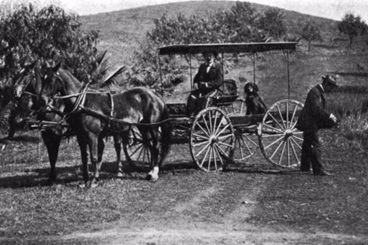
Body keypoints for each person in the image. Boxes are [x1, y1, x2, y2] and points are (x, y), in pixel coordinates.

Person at [296, 75, 339, 176]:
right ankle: (318, 170)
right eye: (331, 87)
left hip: (308, 122)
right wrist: (329, 115)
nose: (331, 90)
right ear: (326, 84)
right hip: (309, 123)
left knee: (307, 144)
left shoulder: (316, 91)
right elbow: (316, 109)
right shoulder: (315, 92)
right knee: (316, 145)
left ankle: (305, 167)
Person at [187, 51, 223, 116]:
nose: (209, 58)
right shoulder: (202, 66)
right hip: (203, 90)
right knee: (192, 96)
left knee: (206, 98)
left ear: (214, 57)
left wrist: (207, 84)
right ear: (205, 57)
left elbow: (219, 81)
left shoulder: (218, 67)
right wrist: (195, 83)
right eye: (207, 56)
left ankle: (202, 116)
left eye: (211, 56)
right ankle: (191, 115)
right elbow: (197, 77)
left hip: (215, 90)